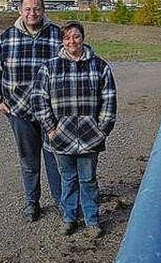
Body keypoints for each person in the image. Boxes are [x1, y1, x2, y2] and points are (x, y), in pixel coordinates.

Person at [31, 21, 117, 239]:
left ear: (83, 38)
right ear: (62, 40)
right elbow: (39, 100)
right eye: (67, 37)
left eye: (76, 37)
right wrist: (51, 128)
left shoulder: (99, 66)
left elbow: (109, 100)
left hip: (90, 137)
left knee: (88, 179)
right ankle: (69, 218)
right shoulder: (49, 67)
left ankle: (92, 220)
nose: (72, 42)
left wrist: (102, 130)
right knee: (67, 179)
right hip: (61, 137)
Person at [0, 0, 62, 222]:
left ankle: (62, 202)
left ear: (43, 9)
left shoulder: (57, 35)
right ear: (20, 11)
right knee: (28, 159)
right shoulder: (6, 37)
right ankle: (32, 202)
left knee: (55, 158)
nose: (32, 13)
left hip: (51, 112)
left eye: (36, 8)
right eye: (27, 9)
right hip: (19, 111)